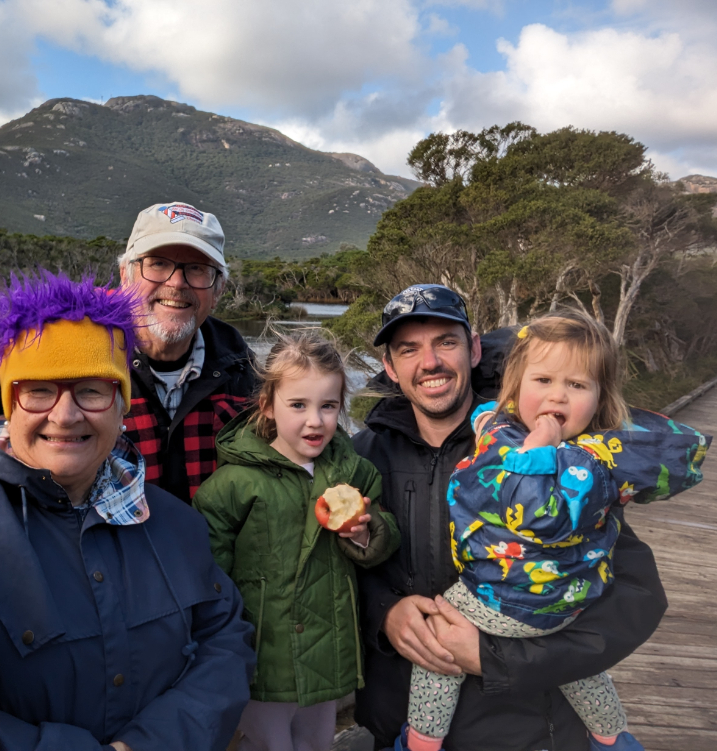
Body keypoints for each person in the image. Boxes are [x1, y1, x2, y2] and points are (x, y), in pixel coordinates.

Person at [0, 269, 255, 751]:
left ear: (122, 404)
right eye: (38, 390)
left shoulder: (176, 523)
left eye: (93, 390)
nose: (65, 415)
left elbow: (225, 640)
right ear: (6, 402)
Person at [352, 284, 669, 751]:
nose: (430, 362)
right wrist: (384, 613)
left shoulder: (547, 455)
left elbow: (637, 597)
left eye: (446, 341)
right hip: (395, 722)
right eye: (408, 349)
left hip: (527, 731)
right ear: (390, 368)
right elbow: (324, 576)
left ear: (474, 348)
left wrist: (497, 658)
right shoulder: (361, 458)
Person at [194, 330, 401, 751]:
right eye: (298, 405)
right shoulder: (233, 483)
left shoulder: (354, 472)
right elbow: (209, 570)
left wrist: (365, 534)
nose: (315, 420)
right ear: (268, 405)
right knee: (267, 743)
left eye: (328, 406)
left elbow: (386, 531)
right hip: (263, 654)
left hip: (330, 650)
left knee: (316, 743)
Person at [119, 202, 256, 503]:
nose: (176, 282)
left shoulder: (249, 380)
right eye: (157, 263)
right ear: (125, 276)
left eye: (197, 269)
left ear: (218, 290)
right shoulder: (81, 365)